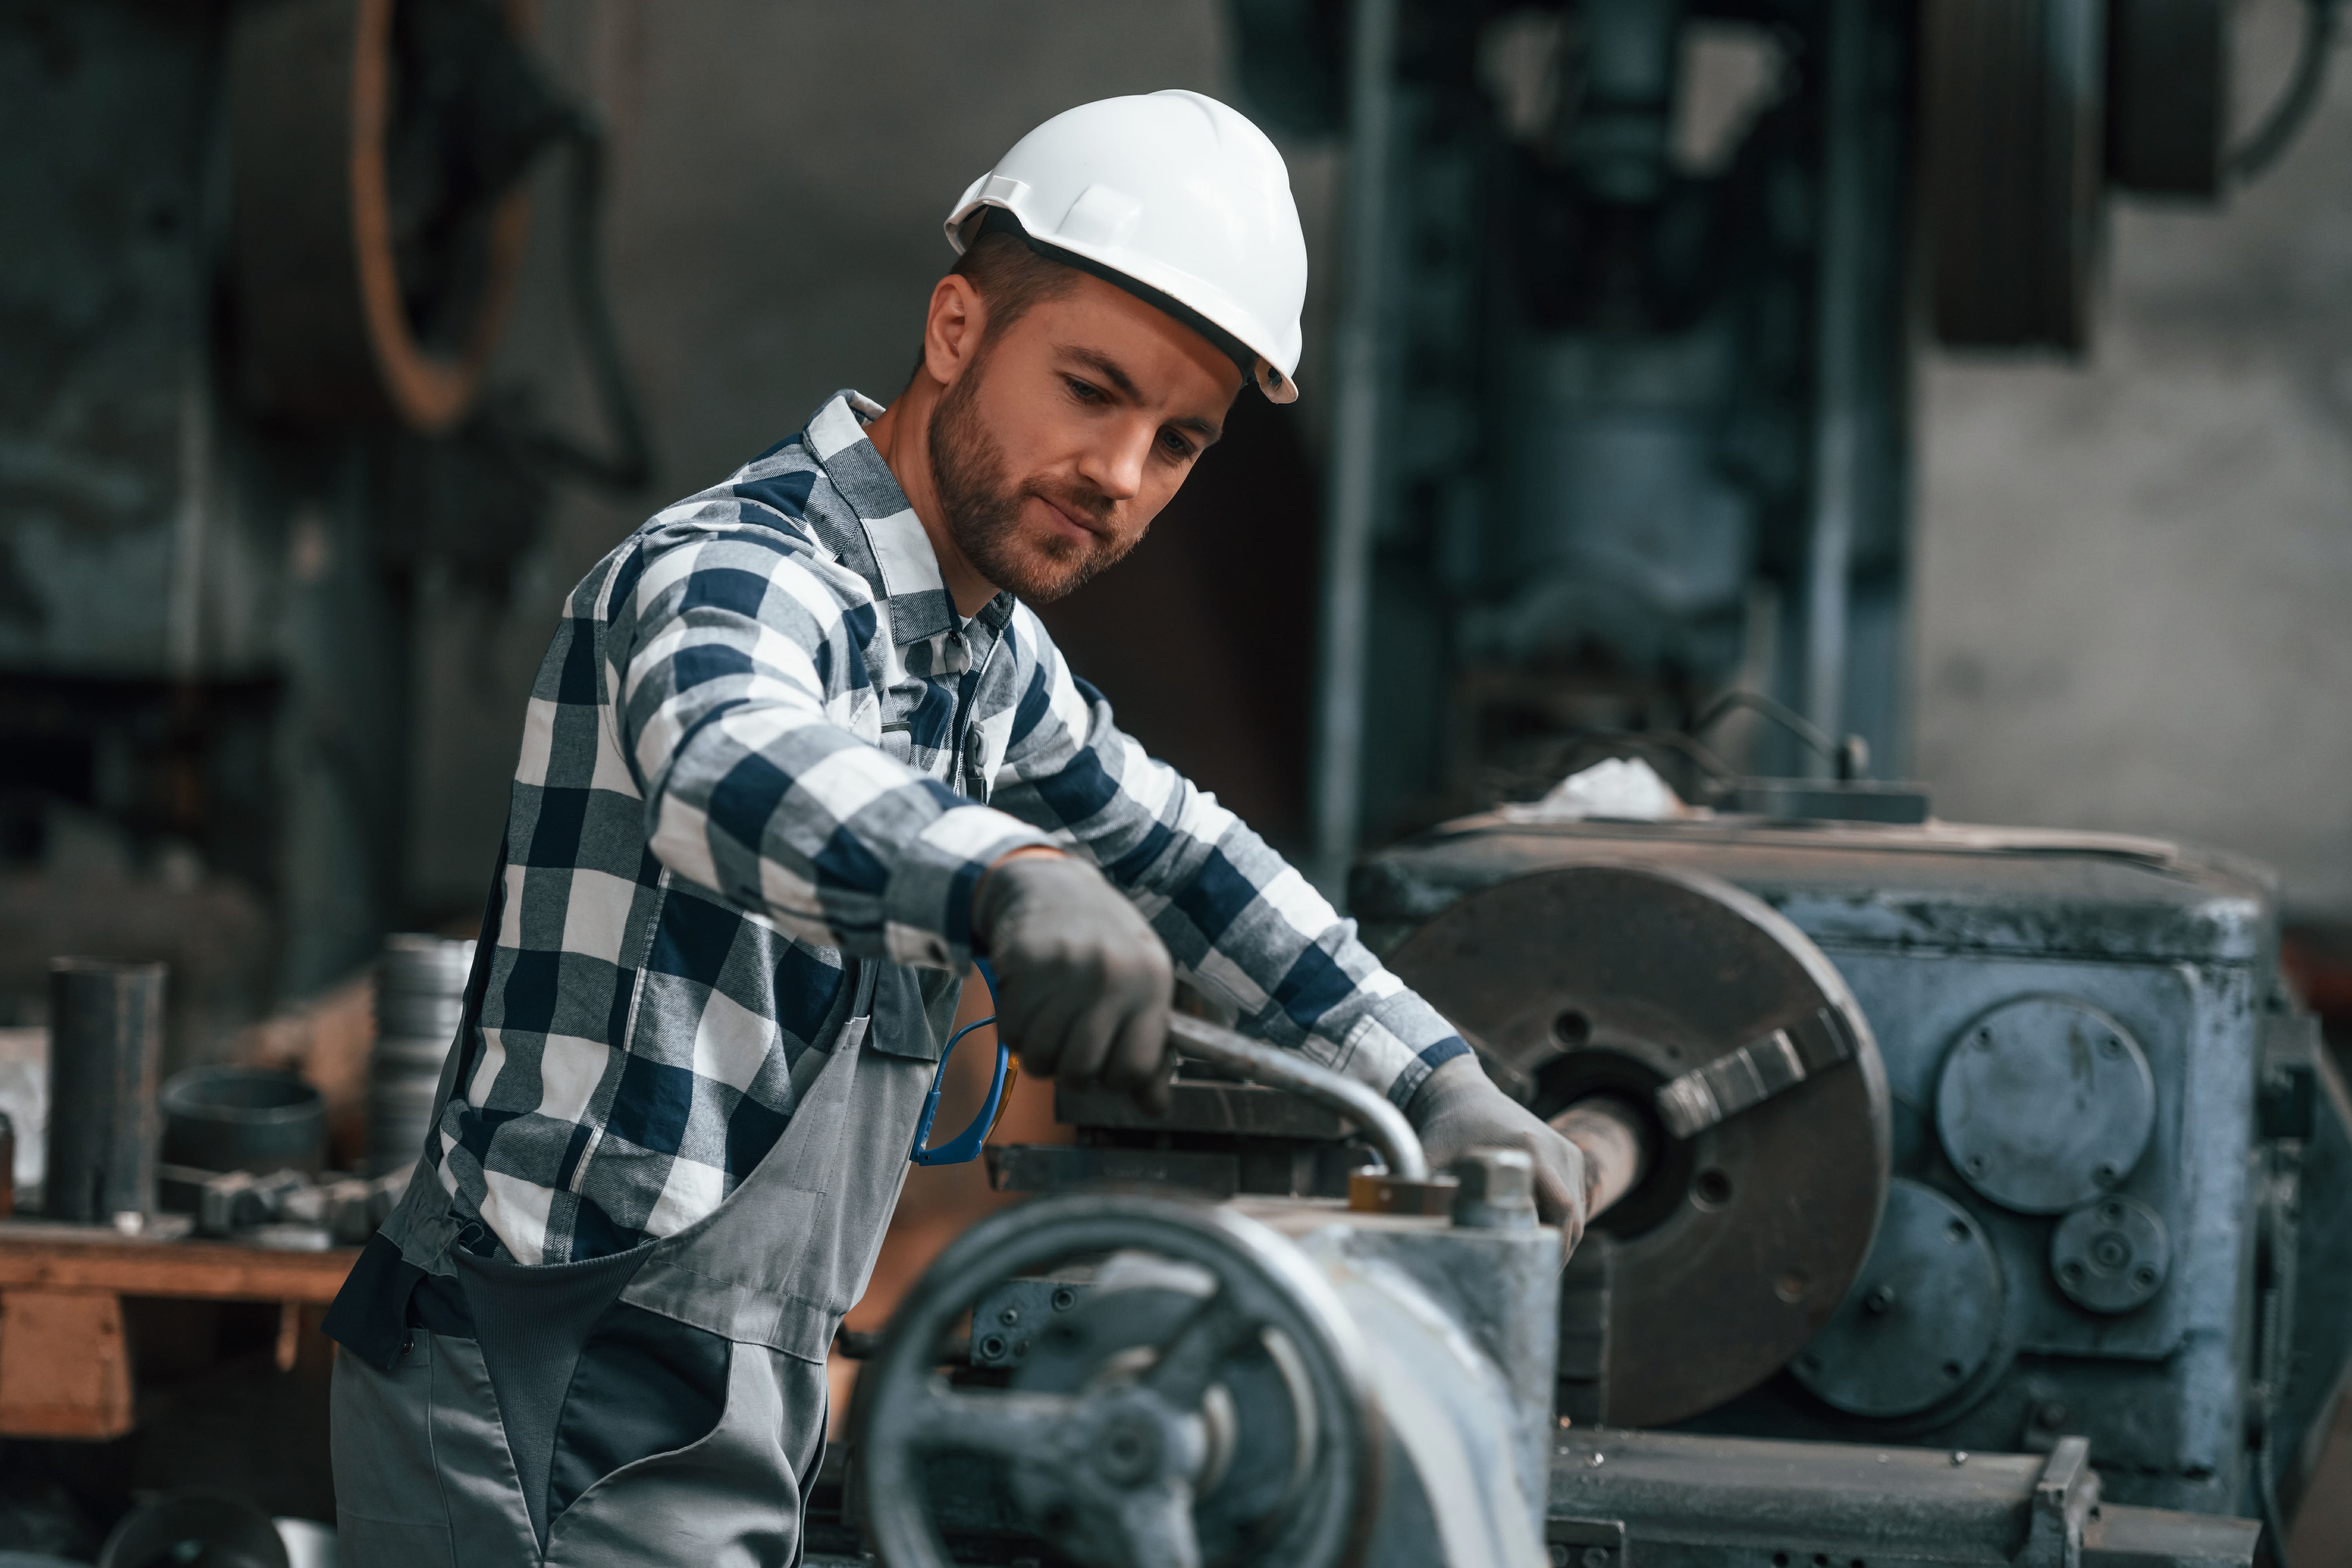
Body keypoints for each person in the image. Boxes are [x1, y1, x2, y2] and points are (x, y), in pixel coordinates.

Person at [322, 90, 1589, 1567]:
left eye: (1178, 441)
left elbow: (1183, 860)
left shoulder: (982, 659)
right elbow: (726, 757)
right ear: (953, 331)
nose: (1120, 476)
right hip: (545, 1376)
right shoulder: (743, 568)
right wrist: (1009, 876)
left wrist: (1436, 1079)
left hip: (730, 1378)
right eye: (1090, 389)